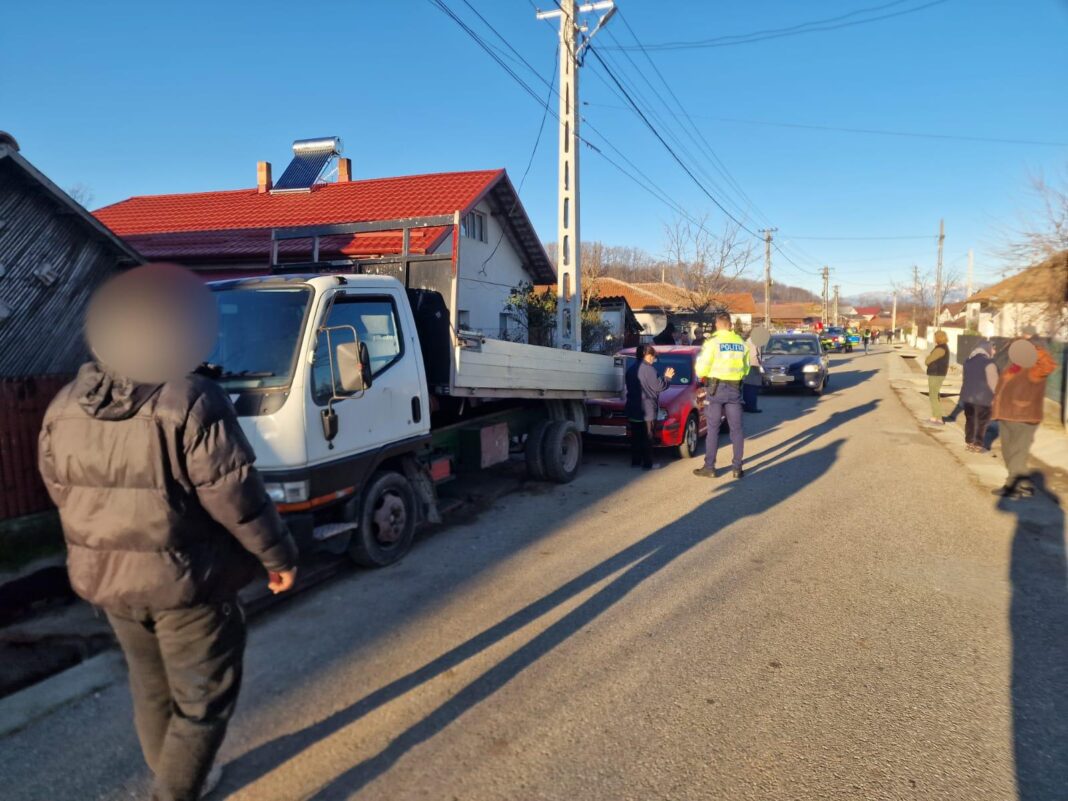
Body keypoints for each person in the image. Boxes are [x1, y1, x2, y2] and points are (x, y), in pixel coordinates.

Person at [38, 265, 299, 801]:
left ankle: (180, 776)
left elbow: (59, 489)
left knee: (150, 688)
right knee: (202, 702)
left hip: (109, 583)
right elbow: (236, 496)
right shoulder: (192, 398)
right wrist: (278, 558)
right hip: (188, 583)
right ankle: (175, 790)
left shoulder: (65, 405)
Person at [991, 328, 1056, 498]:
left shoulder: (1036, 367)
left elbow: (1049, 365)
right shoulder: (1014, 365)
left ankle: (1015, 487)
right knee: (1008, 451)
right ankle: (1022, 485)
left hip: (1024, 415)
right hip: (1005, 414)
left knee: (1018, 453)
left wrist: (1033, 348)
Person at [693, 312, 750, 479]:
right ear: (730, 325)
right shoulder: (741, 343)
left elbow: (701, 368)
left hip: (715, 389)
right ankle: (737, 469)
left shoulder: (712, 343)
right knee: (737, 431)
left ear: (717, 324)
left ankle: (709, 467)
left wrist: (702, 375)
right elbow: (746, 369)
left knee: (713, 429)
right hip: (734, 390)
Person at [624, 345, 675, 470]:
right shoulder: (649, 370)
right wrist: (667, 378)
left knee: (636, 437)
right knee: (647, 437)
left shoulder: (630, 370)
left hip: (633, 408)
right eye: (653, 356)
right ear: (646, 355)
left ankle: (635, 462)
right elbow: (659, 386)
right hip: (647, 410)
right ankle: (647, 464)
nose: (653, 359)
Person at [961, 340, 998, 452]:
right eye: (993, 349)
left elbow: (965, 378)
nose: (994, 352)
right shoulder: (988, 363)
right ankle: (977, 444)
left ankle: (969, 442)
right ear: (987, 349)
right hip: (983, 398)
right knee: (981, 421)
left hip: (967, 396)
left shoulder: (967, 361)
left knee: (970, 419)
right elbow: (993, 383)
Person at [924, 330, 951, 425]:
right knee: (935, 395)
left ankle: (939, 418)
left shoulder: (940, 349)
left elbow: (928, 361)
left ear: (938, 338)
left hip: (936, 374)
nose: (934, 339)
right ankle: (935, 416)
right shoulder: (944, 348)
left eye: (935, 337)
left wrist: (927, 359)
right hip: (938, 373)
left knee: (933, 396)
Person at [742, 333, 763, 413]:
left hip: (747, 365)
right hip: (752, 366)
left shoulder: (748, 341)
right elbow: (754, 355)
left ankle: (747, 406)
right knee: (752, 388)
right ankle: (751, 407)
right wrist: (758, 367)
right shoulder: (753, 341)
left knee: (747, 387)